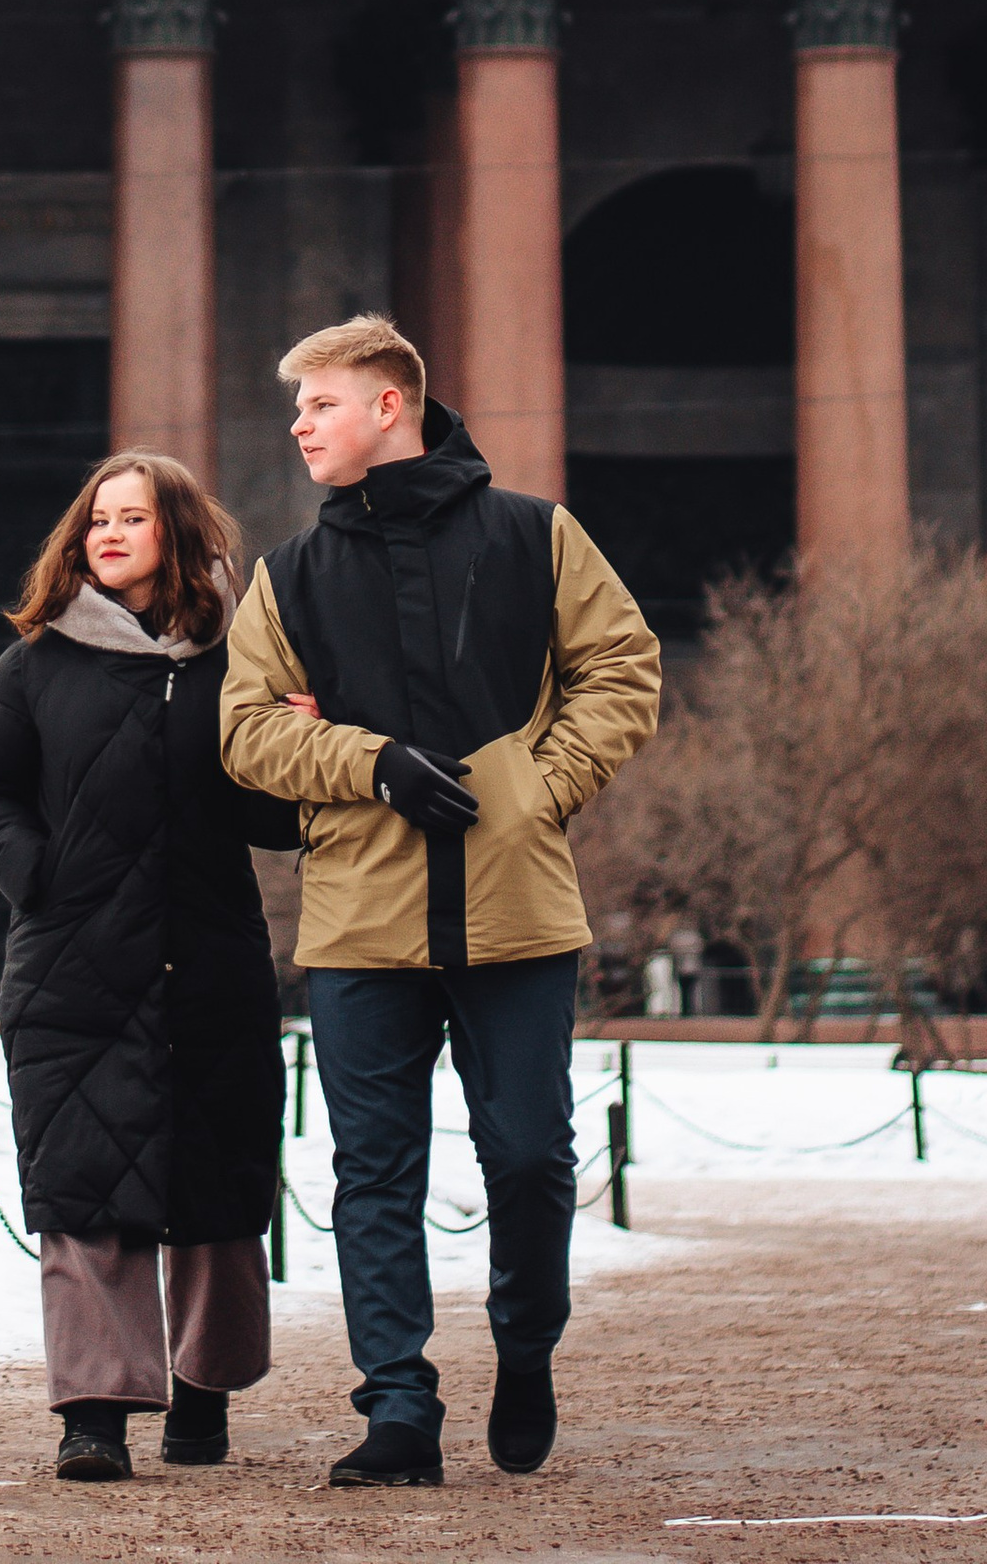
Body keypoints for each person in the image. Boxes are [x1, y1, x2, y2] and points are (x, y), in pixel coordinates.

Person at [219, 315, 658, 1490]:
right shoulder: (287, 575)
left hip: (516, 908)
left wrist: (536, 788)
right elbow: (246, 730)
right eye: (297, 408)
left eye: (317, 404)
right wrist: (367, 763)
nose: (299, 426)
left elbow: (622, 668)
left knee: (528, 1158)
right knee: (373, 1172)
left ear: (387, 406)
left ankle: (527, 1347)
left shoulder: (536, 536)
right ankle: (398, 1407)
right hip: (359, 921)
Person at [0, 454, 298, 1484]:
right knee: (83, 1193)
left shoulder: (241, 663)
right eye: (97, 518)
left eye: (132, 518)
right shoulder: (35, 662)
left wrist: (304, 738)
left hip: (210, 963)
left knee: (216, 1193)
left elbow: (271, 815)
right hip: (71, 966)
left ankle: (203, 1391)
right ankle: (92, 1415)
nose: (107, 533)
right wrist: (33, 872)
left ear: (177, 535)